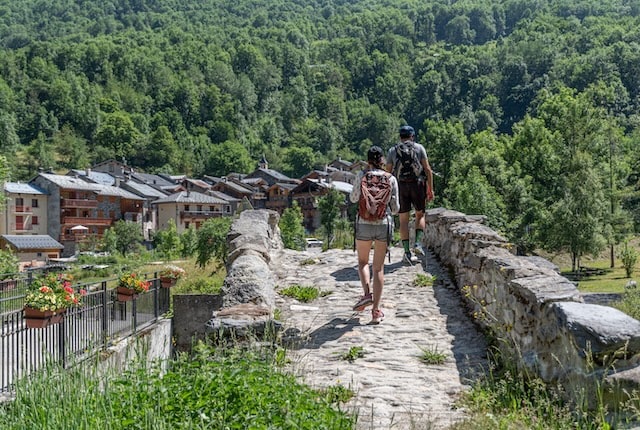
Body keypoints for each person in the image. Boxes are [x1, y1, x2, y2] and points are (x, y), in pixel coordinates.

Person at [350, 145, 399, 324]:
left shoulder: (361, 175)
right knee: (378, 268)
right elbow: (396, 209)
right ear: (382, 160)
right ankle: (376, 312)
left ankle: (366, 295)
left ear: (368, 159)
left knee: (363, 262)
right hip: (383, 225)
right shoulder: (390, 178)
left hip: (363, 223)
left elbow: (354, 198)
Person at [386, 125, 434, 265]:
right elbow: (427, 169)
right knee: (420, 215)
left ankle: (407, 252)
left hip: (401, 186)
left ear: (400, 137)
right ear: (412, 136)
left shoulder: (392, 151)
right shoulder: (419, 148)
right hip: (418, 185)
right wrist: (430, 188)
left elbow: (388, 173)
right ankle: (417, 244)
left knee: (403, 220)